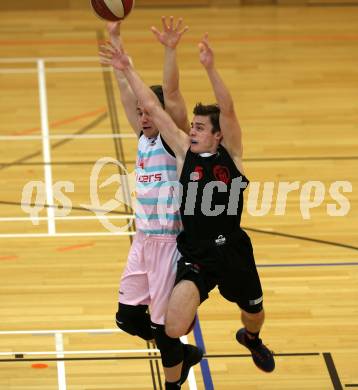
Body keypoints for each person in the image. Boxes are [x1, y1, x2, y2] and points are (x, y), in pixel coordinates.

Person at [101, 30, 276, 374]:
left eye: (199, 127)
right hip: (196, 253)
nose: (192, 131)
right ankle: (180, 359)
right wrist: (126, 67)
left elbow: (228, 109)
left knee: (253, 312)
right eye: (191, 126)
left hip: (233, 251)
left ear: (217, 134)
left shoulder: (233, 156)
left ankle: (251, 338)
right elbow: (153, 104)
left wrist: (210, 68)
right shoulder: (183, 153)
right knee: (173, 329)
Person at [100, 18, 203, 390]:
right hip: (142, 242)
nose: (143, 117)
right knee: (127, 319)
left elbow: (171, 96)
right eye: (141, 114)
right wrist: (116, 41)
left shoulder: (172, 142)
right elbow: (129, 98)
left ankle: (173, 376)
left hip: (168, 246)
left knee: (163, 332)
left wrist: (169, 50)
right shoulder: (143, 138)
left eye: (149, 112)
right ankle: (180, 351)